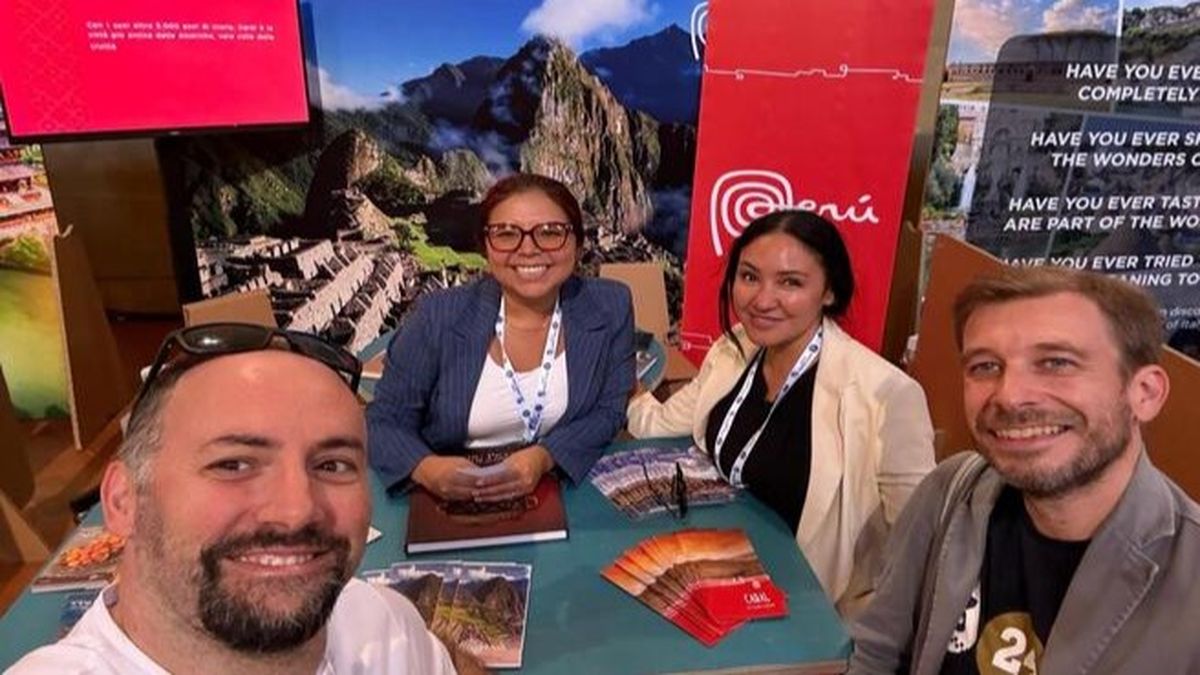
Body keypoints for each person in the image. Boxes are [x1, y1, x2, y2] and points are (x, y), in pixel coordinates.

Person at [8, 324, 459, 674]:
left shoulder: (381, 629)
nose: (296, 510)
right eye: (233, 465)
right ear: (123, 500)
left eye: (332, 465)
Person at [850, 268, 1200, 674]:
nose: (1011, 396)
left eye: (1056, 362)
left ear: (1145, 393)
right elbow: (876, 651)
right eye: (984, 366)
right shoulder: (950, 491)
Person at [627, 210, 935, 616]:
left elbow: (923, 548)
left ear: (828, 291)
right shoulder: (735, 348)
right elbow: (662, 424)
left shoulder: (888, 396)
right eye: (749, 277)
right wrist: (627, 389)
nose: (761, 300)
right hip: (716, 567)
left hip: (810, 605)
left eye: (790, 282)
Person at [368, 173, 635, 501]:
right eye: (507, 234)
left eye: (550, 233)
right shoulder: (438, 316)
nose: (528, 249)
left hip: (562, 488)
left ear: (578, 244)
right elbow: (384, 420)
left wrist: (544, 456)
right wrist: (427, 468)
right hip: (449, 497)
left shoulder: (611, 306)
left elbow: (609, 410)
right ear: (486, 249)